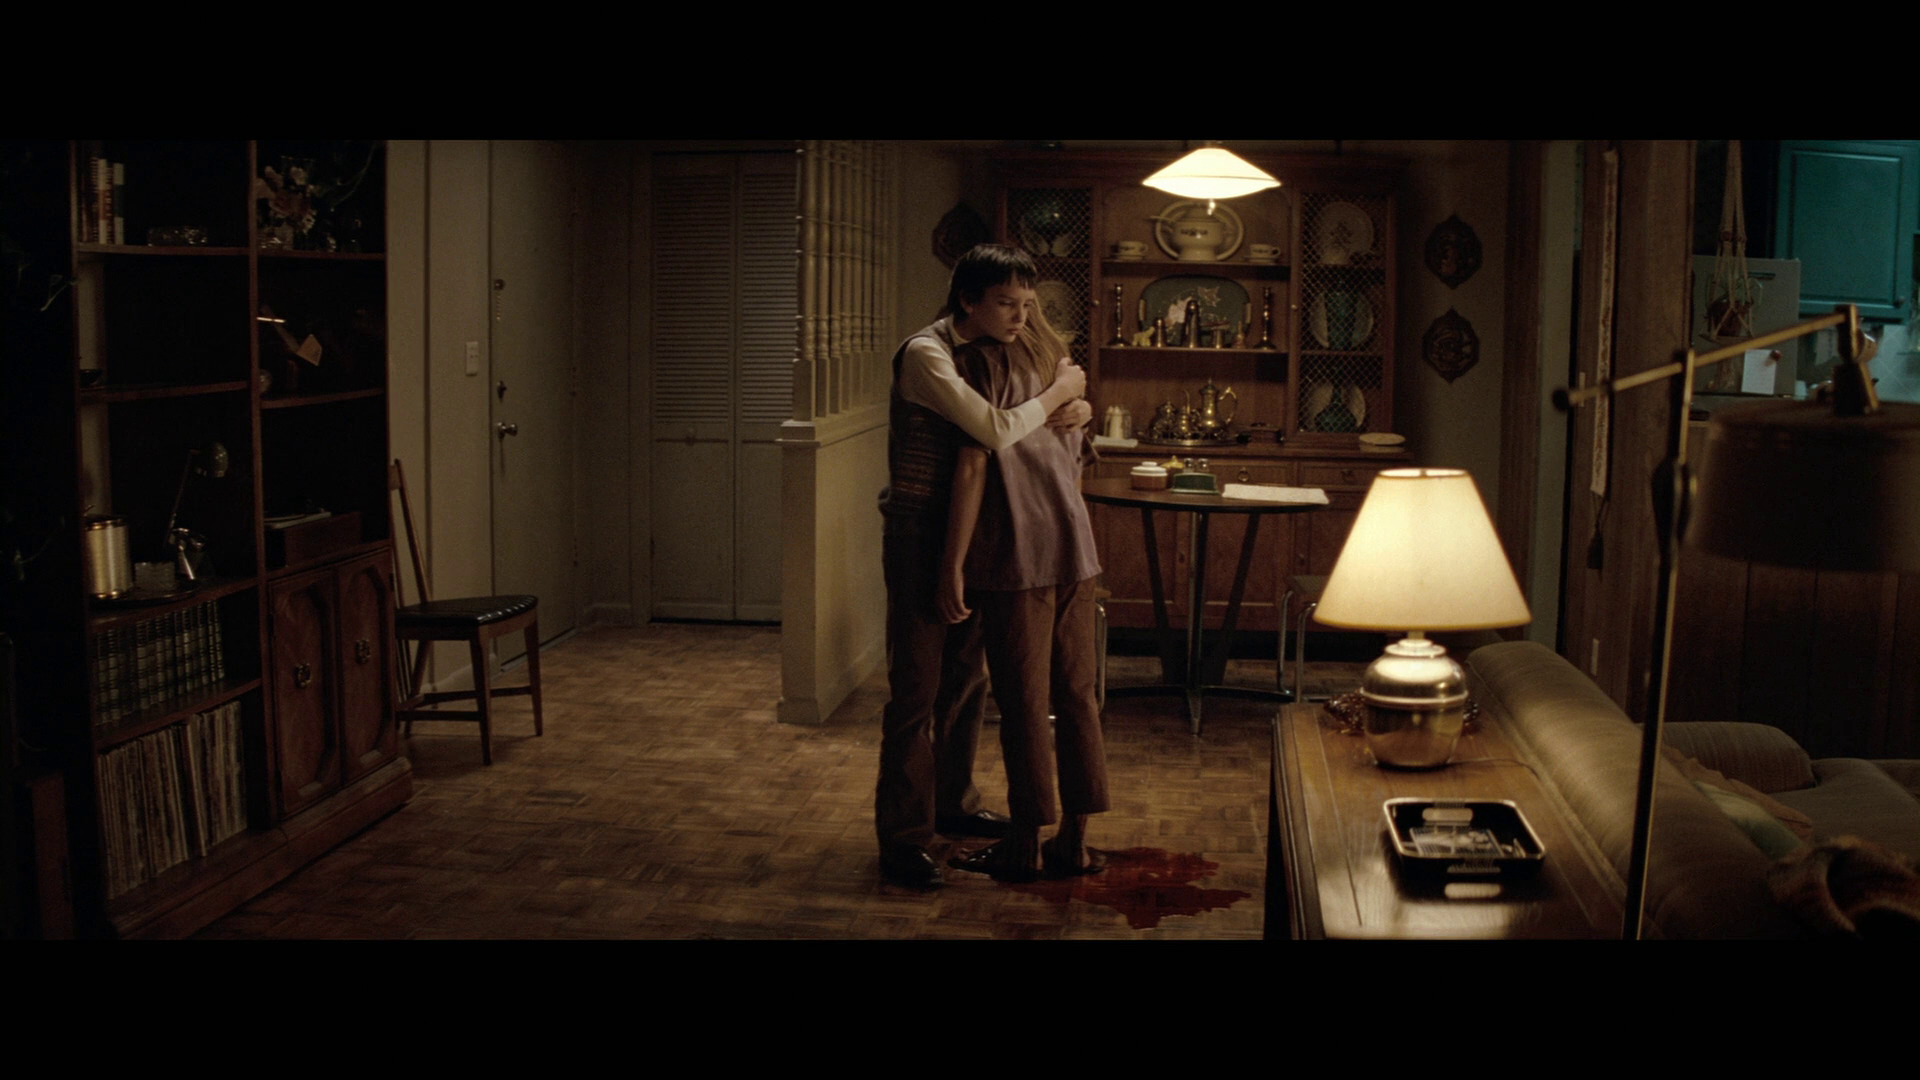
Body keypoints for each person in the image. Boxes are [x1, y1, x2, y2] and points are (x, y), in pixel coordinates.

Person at [876, 243, 1091, 888]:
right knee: (915, 690)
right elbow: (994, 431)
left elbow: (1029, 429)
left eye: (1027, 303)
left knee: (966, 680)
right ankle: (903, 840)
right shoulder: (927, 353)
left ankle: (955, 801)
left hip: (976, 535)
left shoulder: (996, 352)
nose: (1021, 317)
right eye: (1006, 303)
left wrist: (1076, 408)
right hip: (922, 536)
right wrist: (1061, 393)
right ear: (968, 300)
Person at [935, 302, 1110, 882]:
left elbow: (972, 468)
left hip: (1015, 550)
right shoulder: (1054, 359)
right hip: (1075, 545)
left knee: (1024, 701)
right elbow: (1077, 458)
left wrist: (953, 562)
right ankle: (1075, 842)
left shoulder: (973, 365)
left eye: (1021, 302)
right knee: (1078, 694)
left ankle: (1025, 843)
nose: (1018, 312)